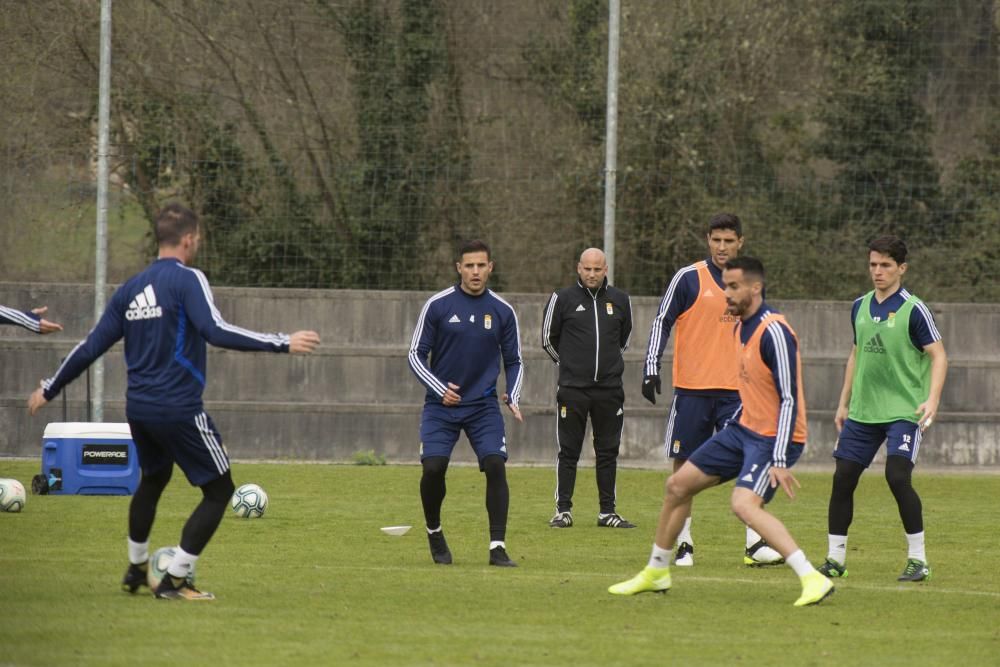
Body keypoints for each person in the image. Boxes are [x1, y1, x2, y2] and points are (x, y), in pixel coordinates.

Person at [27, 203, 320, 601]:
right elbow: (215, 330)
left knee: (153, 478)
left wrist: (50, 387)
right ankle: (176, 578)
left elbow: (91, 345)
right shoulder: (188, 280)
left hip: (140, 410)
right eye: (196, 239)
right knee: (220, 490)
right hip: (179, 407)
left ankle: (135, 568)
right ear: (187, 239)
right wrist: (282, 342)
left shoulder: (130, 289)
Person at [610, 257, 833, 607]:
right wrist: (733, 431)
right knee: (677, 485)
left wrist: (778, 458)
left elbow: (789, 398)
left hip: (775, 439)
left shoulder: (774, 331)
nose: (725, 293)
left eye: (733, 287)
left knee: (743, 504)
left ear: (755, 288)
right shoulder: (740, 327)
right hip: (743, 430)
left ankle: (812, 577)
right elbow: (753, 391)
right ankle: (656, 571)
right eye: (725, 285)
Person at [641, 213, 781, 566]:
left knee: (751, 458)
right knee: (684, 466)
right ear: (708, 240)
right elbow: (662, 320)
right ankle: (684, 543)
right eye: (716, 240)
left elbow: (764, 329)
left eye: (729, 241)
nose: (722, 247)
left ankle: (754, 543)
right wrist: (651, 366)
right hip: (692, 391)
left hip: (739, 393)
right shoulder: (688, 279)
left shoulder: (749, 283)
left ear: (740, 243)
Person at [819, 235, 947, 583]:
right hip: (863, 412)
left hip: (904, 411)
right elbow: (856, 353)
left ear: (901, 268)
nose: (878, 271)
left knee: (897, 477)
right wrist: (843, 402)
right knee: (842, 479)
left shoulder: (913, 309)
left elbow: (938, 355)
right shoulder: (859, 306)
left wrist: (932, 399)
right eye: (873, 264)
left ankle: (918, 560)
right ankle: (835, 560)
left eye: (886, 265)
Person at [408, 239, 524, 567]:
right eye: (469, 265)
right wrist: (439, 387)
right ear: (459, 268)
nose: (475, 271)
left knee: (495, 465)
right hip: (440, 406)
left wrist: (512, 395)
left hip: (483, 406)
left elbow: (515, 360)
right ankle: (434, 531)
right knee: (433, 468)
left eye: (481, 265)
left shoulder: (503, 311)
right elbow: (415, 355)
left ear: (491, 268)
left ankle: (497, 548)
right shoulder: (438, 305)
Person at [541, 247, 635, 528]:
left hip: (609, 390)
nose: (592, 274)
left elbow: (624, 340)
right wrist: (570, 366)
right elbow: (548, 339)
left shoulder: (620, 300)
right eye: (587, 268)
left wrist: (605, 368)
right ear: (578, 269)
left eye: (598, 269)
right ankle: (563, 510)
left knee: (608, 451)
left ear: (605, 270)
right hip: (573, 389)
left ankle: (607, 512)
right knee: (569, 451)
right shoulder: (562, 298)